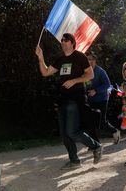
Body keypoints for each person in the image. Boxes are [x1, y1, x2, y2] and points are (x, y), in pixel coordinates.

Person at [35, 33, 102, 169]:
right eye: (62, 40)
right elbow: (46, 72)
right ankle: (74, 161)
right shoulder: (59, 59)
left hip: (75, 99)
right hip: (62, 99)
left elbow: (90, 74)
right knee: (64, 134)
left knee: (72, 132)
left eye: (66, 40)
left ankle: (96, 146)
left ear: (72, 42)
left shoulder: (80, 56)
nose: (63, 42)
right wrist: (40, 57)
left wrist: (74, 80)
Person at [85, 51, 120, 144]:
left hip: (102, 100)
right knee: (89, 123)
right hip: (90, 100)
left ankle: (115, 131)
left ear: (95, 60)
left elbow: (108, 85)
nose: (89, 61)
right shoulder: (85, 71)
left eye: (91, 59)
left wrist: (95, 91)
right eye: (87, 59)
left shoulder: (100, 71)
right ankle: (95, 143)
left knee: (102, 123)